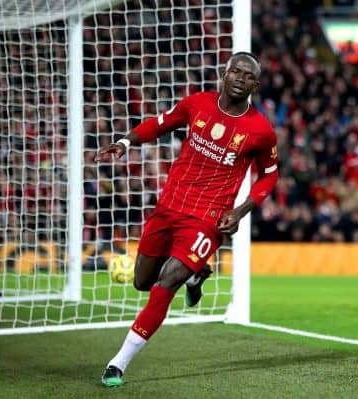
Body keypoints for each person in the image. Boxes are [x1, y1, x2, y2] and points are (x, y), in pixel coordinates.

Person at [95, 52, 278, 387]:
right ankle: (197, 275)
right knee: (142, 282)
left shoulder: (261, 130)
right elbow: (160, 124)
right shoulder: (196, 104)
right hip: (169, 206)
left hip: (208, 218)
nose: (239, 78)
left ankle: (117, 364)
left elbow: (269, 176)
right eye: (234, 71)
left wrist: (239, 211)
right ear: (224, 74)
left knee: (167, 282)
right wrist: (126, 141)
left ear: (256, 83)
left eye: (247, 75)